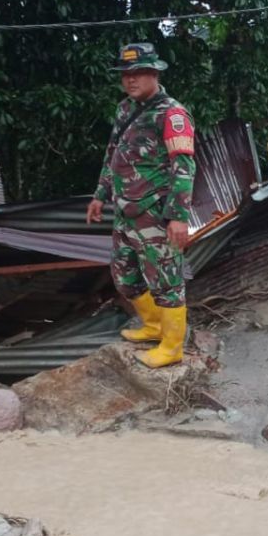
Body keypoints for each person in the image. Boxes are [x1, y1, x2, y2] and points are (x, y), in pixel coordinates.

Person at [86, 43, 196, 369]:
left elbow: (184, 166)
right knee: (124, 274)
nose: (130, 80)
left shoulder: (172, 114)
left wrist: (178, 216)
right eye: (125, 75)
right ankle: (152, 326)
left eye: (138, 73)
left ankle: (173, 346)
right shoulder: (125, 109)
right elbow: (113, 155)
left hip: (155, 212)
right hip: (125, 210)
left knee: (166, 280)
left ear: (155, 72)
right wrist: (99, 195)